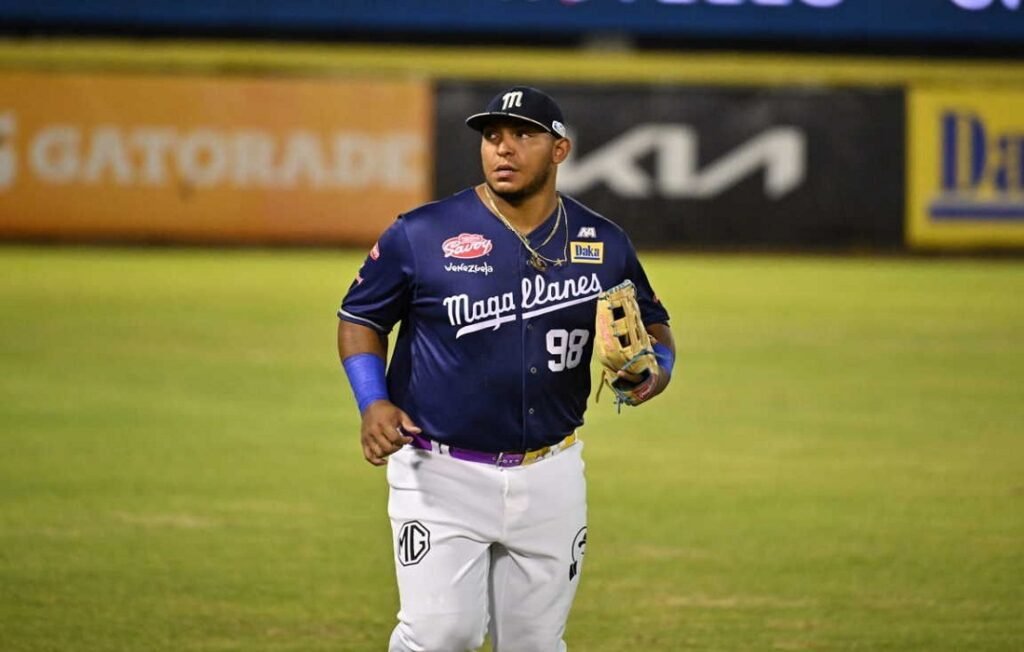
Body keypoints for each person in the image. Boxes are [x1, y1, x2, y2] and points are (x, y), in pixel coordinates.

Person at [337, 85, 675, 652]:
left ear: (560, 150)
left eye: (523, 135)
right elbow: (359, 318)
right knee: (440, 635)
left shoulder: (603, 241)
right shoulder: (422, 233)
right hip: (440, 471)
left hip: (552, 472)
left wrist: (655, 371)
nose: (503, 148)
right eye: (492, 136)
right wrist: (372, 400)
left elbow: (655, 325)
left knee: (535, 644)